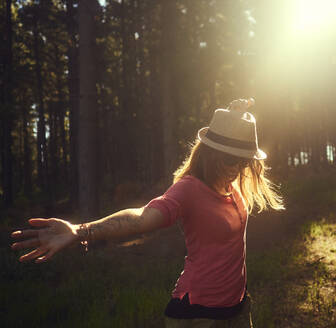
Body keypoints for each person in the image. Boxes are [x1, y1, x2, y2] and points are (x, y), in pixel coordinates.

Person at [11, 98, 284, 328]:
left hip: (237, 308)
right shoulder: (188, 190)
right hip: (199, 315)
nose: (237, 166)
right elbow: (142, 217)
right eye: (230, 158)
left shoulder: (231, 184)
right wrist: (81, 230)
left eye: (244, 159)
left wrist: (234, 119)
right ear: (210, 154)